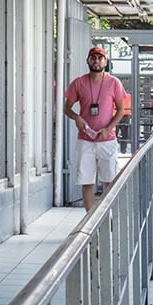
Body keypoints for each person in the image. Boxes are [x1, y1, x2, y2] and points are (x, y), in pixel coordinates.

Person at [63, 46, 127, 211]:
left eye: (100, 58)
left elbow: (121, 110)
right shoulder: (79, 82)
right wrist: (76, 117)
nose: (96, 61)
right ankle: (90, 220)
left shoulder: (114, 82)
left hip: (108, 140)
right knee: (87, 181)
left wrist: (108, 128)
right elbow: (66, 107)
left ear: (105, 61)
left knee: (110, 181)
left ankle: (107, 217)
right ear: (88, 60)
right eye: (93, 58)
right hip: (86, 140)